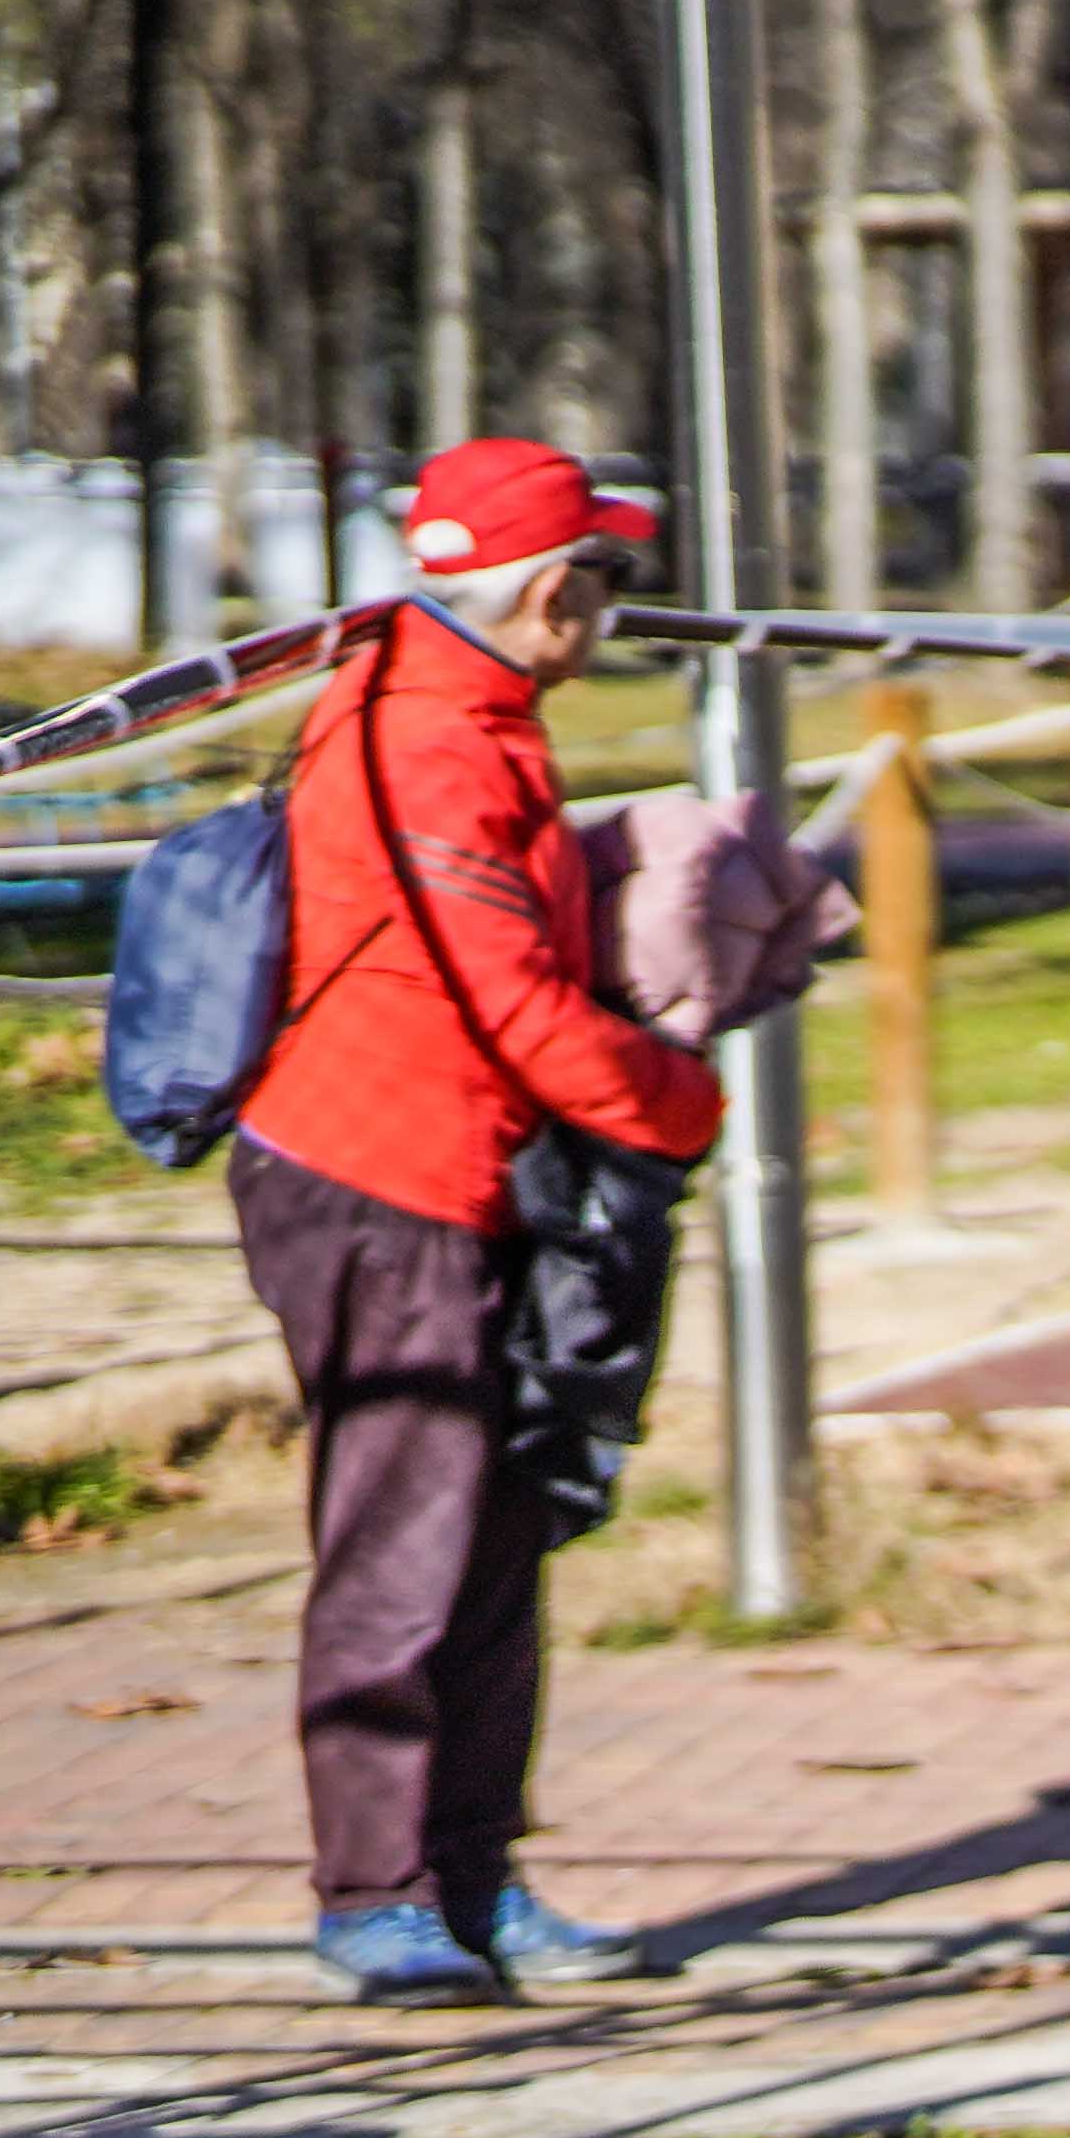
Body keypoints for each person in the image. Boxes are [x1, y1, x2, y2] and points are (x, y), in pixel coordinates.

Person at [249, 439, 719, 2003]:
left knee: (496, 1539)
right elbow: (498, 991)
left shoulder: (480, 708)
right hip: (381, 1179)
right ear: (547, 589)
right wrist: (675, 1103)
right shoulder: (423, 732)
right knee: (401, 1541)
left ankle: (471, 1876)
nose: (611, 606)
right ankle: (372, 1894)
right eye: (604, 575)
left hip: (482, 1174)